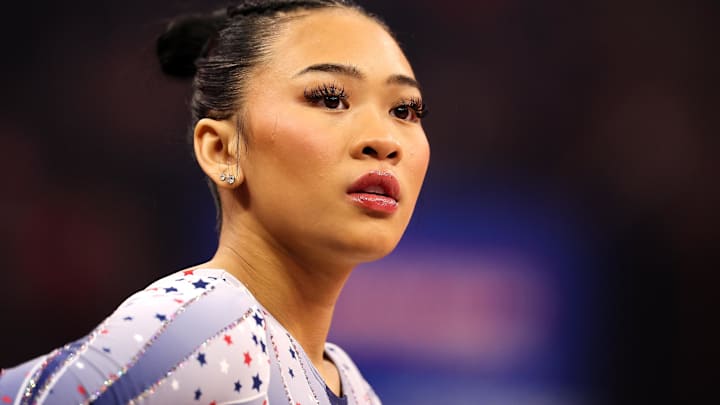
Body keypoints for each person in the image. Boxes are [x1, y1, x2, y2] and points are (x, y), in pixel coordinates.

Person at [0, 0, 430, 403]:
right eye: (330, 98)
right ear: (223, 151)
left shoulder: (350, 384)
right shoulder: (209, 330)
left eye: (405, 110)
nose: (385, 140)